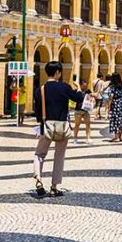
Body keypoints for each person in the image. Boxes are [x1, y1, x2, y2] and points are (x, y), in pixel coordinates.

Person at [33, 61, 83, 197]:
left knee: (39, 154)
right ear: (57, 73)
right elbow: (79, 98)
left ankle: (38, 180)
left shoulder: (40, 90)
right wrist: (77, 88)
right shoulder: (64, 87)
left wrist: (40, 125)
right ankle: (54, 187)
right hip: (62, 126)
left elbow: (37, 111)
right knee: (59, 156)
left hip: (46, 126)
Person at [107, 72, 122, 142]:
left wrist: (108, 107)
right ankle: (120, 136)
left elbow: (111, 97)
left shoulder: (112, 87)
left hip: (115, 104)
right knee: (121, 119)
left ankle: (116, 137)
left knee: (115, 119)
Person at [73, 79, 94, 144]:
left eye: (86, 85)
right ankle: (75, 138)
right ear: (80, 85)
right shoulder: (76, 91)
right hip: (78, 110)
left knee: (88, 124)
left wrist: (93, 99)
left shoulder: (88, 91)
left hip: (86, 110)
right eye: (84, 86)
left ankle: (88, 138)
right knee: (77, 125)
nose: (85, 87)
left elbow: (92, 97)